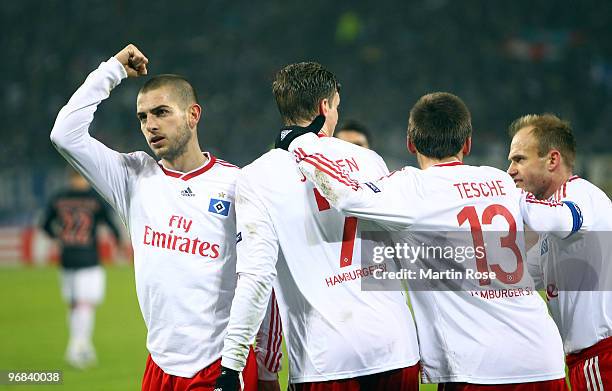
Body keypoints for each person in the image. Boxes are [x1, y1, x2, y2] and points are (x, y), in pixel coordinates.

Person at [280, 92, 583, 390]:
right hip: (542, 358)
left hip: (477, 367)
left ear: (410, 143)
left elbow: (345, 194)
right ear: (467, 143)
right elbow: (557, 217)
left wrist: (300, 141)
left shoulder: (411, 188)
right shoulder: (500, 180)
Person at [50, 44, 276, 391]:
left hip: (217, 365)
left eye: (161, 112)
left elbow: (260, 279)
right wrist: (111, 71)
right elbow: (64, 135)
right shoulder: (133, 178)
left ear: (193, 115)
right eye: (142, 117)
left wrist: (264, 370)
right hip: (158, 365)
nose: (150, 125)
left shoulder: (236, 184)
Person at [215, 62, 420, 391]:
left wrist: (231, 366)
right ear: (325, 106)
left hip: (325, 358)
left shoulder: (257, 177)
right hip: (396, 346)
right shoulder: (368, 160)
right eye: (336, 106)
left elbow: (255, 278)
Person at [507, 113, 612, 389]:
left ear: (552, 159)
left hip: (602, 357)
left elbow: (551, 217)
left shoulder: (580, 195)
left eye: (519, 159)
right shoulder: (548, 239)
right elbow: (513, 275)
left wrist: (499, 195)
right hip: (586, 360)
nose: (510, 171)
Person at [41, 168, 121, 369]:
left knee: (75, 304)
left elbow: (44, 225)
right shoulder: (94, 198)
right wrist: (119, 244)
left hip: (67, 257)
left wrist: (58, 238)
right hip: (89, 259)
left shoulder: (59, 197)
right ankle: (79, 347)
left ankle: (77, 345)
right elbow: (111, 224)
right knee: (86, 304)